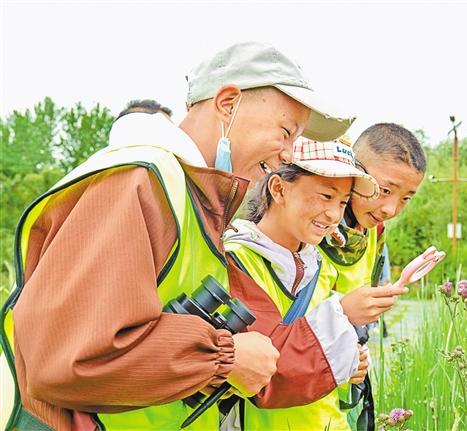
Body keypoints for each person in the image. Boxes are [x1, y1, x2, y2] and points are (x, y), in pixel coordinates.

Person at [0, 41, 354, 431]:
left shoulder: (193, 199)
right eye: (286, 132)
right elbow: (68, 357)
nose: (288, 154)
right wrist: (224, 358)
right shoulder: (140, 180)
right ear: (228, 104)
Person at [221, 137, 406, 430]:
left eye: (343, 202)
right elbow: (265, 375)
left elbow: (324, 368)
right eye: (325, 196)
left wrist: (352, 364)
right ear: (279, 189)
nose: (334, 214)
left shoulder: (319, 265)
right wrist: (342, 316)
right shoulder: (236, 261)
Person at [317, 123, 427, 430]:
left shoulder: (373, 230)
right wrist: (343, 312)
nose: (391, 208)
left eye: (406, 198)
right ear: (355, 172)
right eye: (385, 190)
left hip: (343, 387)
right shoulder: (313, 224)